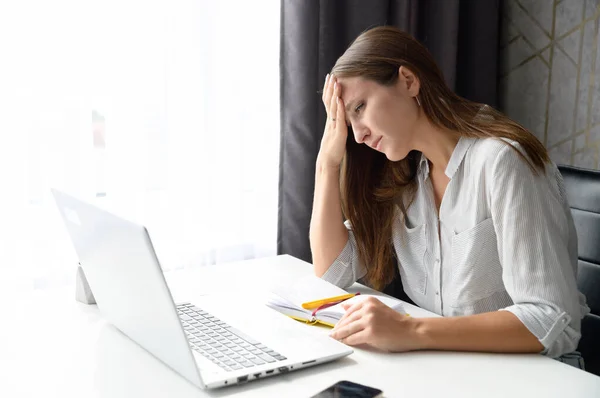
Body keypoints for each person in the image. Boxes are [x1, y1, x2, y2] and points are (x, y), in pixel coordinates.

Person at [309, 26, 589, 366]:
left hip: (531, 379)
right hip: (448, 369)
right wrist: (328, 162)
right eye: (345, 120)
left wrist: (410, 332)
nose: (358, 134)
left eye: (360, 108)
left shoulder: (503, 162)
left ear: (408, 81)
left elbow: (551, 319)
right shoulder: (404, 178)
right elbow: (332, 274)